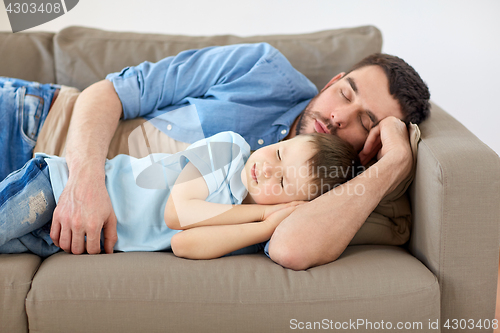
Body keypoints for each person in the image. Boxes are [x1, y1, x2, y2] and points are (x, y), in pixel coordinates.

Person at [0, 42, 430, 269]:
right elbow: (107, 92)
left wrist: (393, 163)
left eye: (367, 122)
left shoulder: (323, 189)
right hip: (33, 123)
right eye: (344, 92)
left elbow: (291, 250)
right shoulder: (260, 69)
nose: (338, 116)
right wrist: (83, 181)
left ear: (370, 149)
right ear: (334, 79)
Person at [0, 131, 360, 260]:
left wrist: (266, 228)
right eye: (280, 153)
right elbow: (178, 213)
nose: (266, 169)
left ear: (290, 204)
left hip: (73, 238)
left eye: (281, 183)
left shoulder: (246, 227)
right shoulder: (230, 150)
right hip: (59, 189)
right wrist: (264, 216)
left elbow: (184, 245)